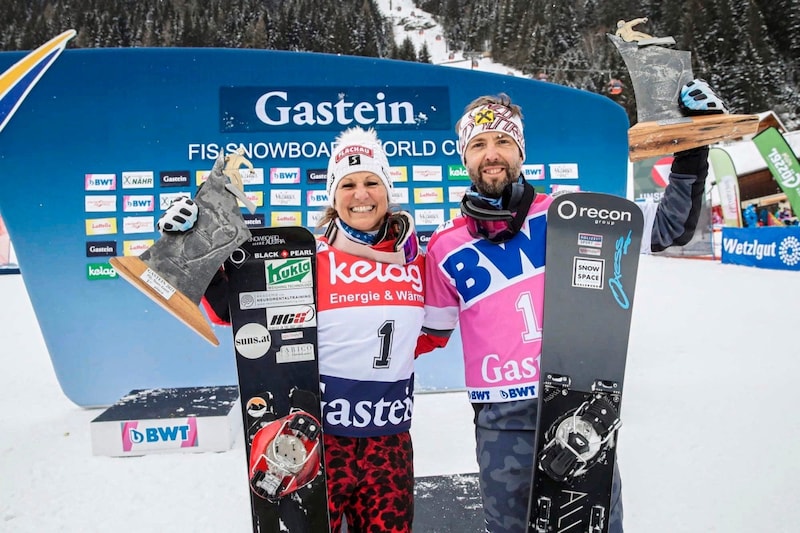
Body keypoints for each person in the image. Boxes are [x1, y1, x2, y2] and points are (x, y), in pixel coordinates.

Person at [414, 80, 726, 533]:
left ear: (521, 151)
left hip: (576, 406)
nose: (492, 153)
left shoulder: (570, 212)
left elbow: (667, 230)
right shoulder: (444, 245)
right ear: (464, 157)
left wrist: (693, 148)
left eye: (503, 140)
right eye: (478, 144)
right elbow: (429, 332)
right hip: (501, 419)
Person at [161, 126, 424, 532]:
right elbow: (236, 311)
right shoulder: (307, 257)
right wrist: (191, 243)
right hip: (319, 441)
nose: (361, 194)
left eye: (372, 182)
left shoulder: (417, 262)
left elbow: (427, 337)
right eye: (348, 184)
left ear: (388, 190)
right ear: (333, 197)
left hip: (388, 443)